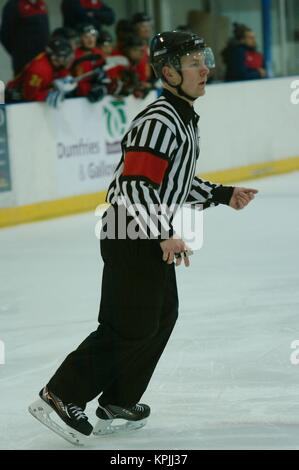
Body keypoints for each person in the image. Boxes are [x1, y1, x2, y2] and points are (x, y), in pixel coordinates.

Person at [29, 30, 258, 444]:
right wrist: (163, 234)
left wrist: (223, 195)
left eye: (203, 59)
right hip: (130, 228)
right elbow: (135, 185)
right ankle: (61, 394)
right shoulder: (159, 121)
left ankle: (118, 399)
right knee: (129, 325)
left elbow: (173, 180)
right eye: (193, 63)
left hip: (145, 230)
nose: (204, 67)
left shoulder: (182, 117)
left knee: (159, 318)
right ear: (169, 72)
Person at [6, 37, 76, 106]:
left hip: (31, 96)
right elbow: (29, 96)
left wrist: (64, 79)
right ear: (54, 57)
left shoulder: (56, 63)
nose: (68, 59)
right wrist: (47, 95)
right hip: (17, 101)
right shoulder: (39, 70)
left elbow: (60, 72)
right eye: (64, 56)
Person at [0, 0, 50, 75]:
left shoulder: (41, 3)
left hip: (43, 61)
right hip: (25, 63)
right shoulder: (13, 5)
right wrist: (18, 53)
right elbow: (4, 35)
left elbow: (46, 31)